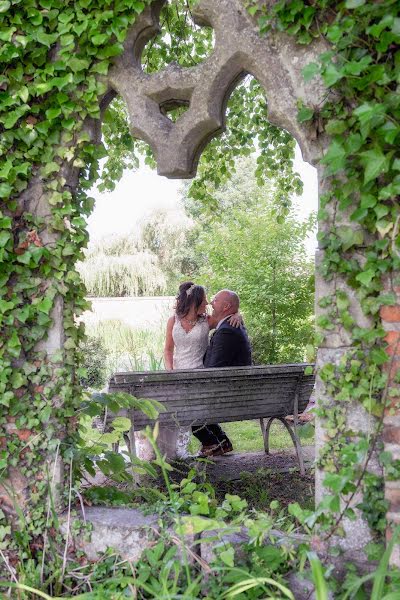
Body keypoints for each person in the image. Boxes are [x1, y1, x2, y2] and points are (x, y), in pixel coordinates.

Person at [163, 282, 242, 457]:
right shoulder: (173, 321)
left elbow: (225, 316)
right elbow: (168, 349)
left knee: (192, 411)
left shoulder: (206, 321)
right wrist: (170, 372)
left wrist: (238, 314)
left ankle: (213, 442)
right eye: (204, 300)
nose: (207, 304)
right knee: (189, 411)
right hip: (178, 374)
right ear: (194, 301)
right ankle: (220, 442)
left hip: (201, 374)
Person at [193, 289, 252, 457]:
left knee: (188, 405)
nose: (211, 303)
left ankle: (212, 442)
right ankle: (221, 442)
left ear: (226, 306)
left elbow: (212, 370)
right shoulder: (232, 325)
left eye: (215, 300)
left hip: (230, 396)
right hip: (237, 391)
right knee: (194, 399)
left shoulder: (227, 330)